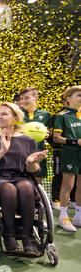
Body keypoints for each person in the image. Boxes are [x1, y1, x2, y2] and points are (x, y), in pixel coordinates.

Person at [0, 102, 48, 255]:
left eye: (4, 114)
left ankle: (28, 237)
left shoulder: (29, 141)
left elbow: (34, 172)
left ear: (15, 118)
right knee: (9, 189)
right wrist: (2, 151)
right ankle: (9, 236)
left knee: (26, 186)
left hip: (21, 177)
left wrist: (31, 163)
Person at [52, 85, 81, 232]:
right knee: (68, 185)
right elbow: (56, 138)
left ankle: (78, 215)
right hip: (70, 152)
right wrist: (75, 142)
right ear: (69, 99)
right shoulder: (61, 115)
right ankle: (63, 217)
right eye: (79, 95)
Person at [19, 87, 53, 184]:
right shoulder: (16, 115)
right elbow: (12, 131)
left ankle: (37, 199)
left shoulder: (46, 115)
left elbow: (50, 133)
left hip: (39, 152)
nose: (23, 101)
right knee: (22, 183)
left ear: (36, 98)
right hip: (21, 153)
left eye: (26, 98)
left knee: (37, 183)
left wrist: (48, 134)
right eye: (22, 98)